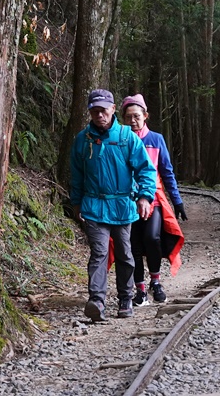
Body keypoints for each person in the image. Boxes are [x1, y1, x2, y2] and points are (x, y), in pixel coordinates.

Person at [70, 89, 156, 320]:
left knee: (125, 254)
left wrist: (145, 197)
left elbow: (146, 171)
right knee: (99, 253)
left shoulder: (128, 138)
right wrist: (76, 202)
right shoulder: (83, 139)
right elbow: (76, 175)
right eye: (94, 111)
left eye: (103, 110)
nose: (99, 115)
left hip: (122, 206)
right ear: (90, 112)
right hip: (94, 205)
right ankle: (96, 301)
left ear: (112, 109)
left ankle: (125, 299)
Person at [120, 94, 187, 306]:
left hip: (154, 199)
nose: (133, 121)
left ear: (145, 116)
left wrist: (177, 201)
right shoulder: (120, 140)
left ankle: (155, 281)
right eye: (128, 116)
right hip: (127, 201)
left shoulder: (156, 139)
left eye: (136, 116)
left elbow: (167, 171)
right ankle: (139, 289)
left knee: (153, 238)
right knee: (134, 245)